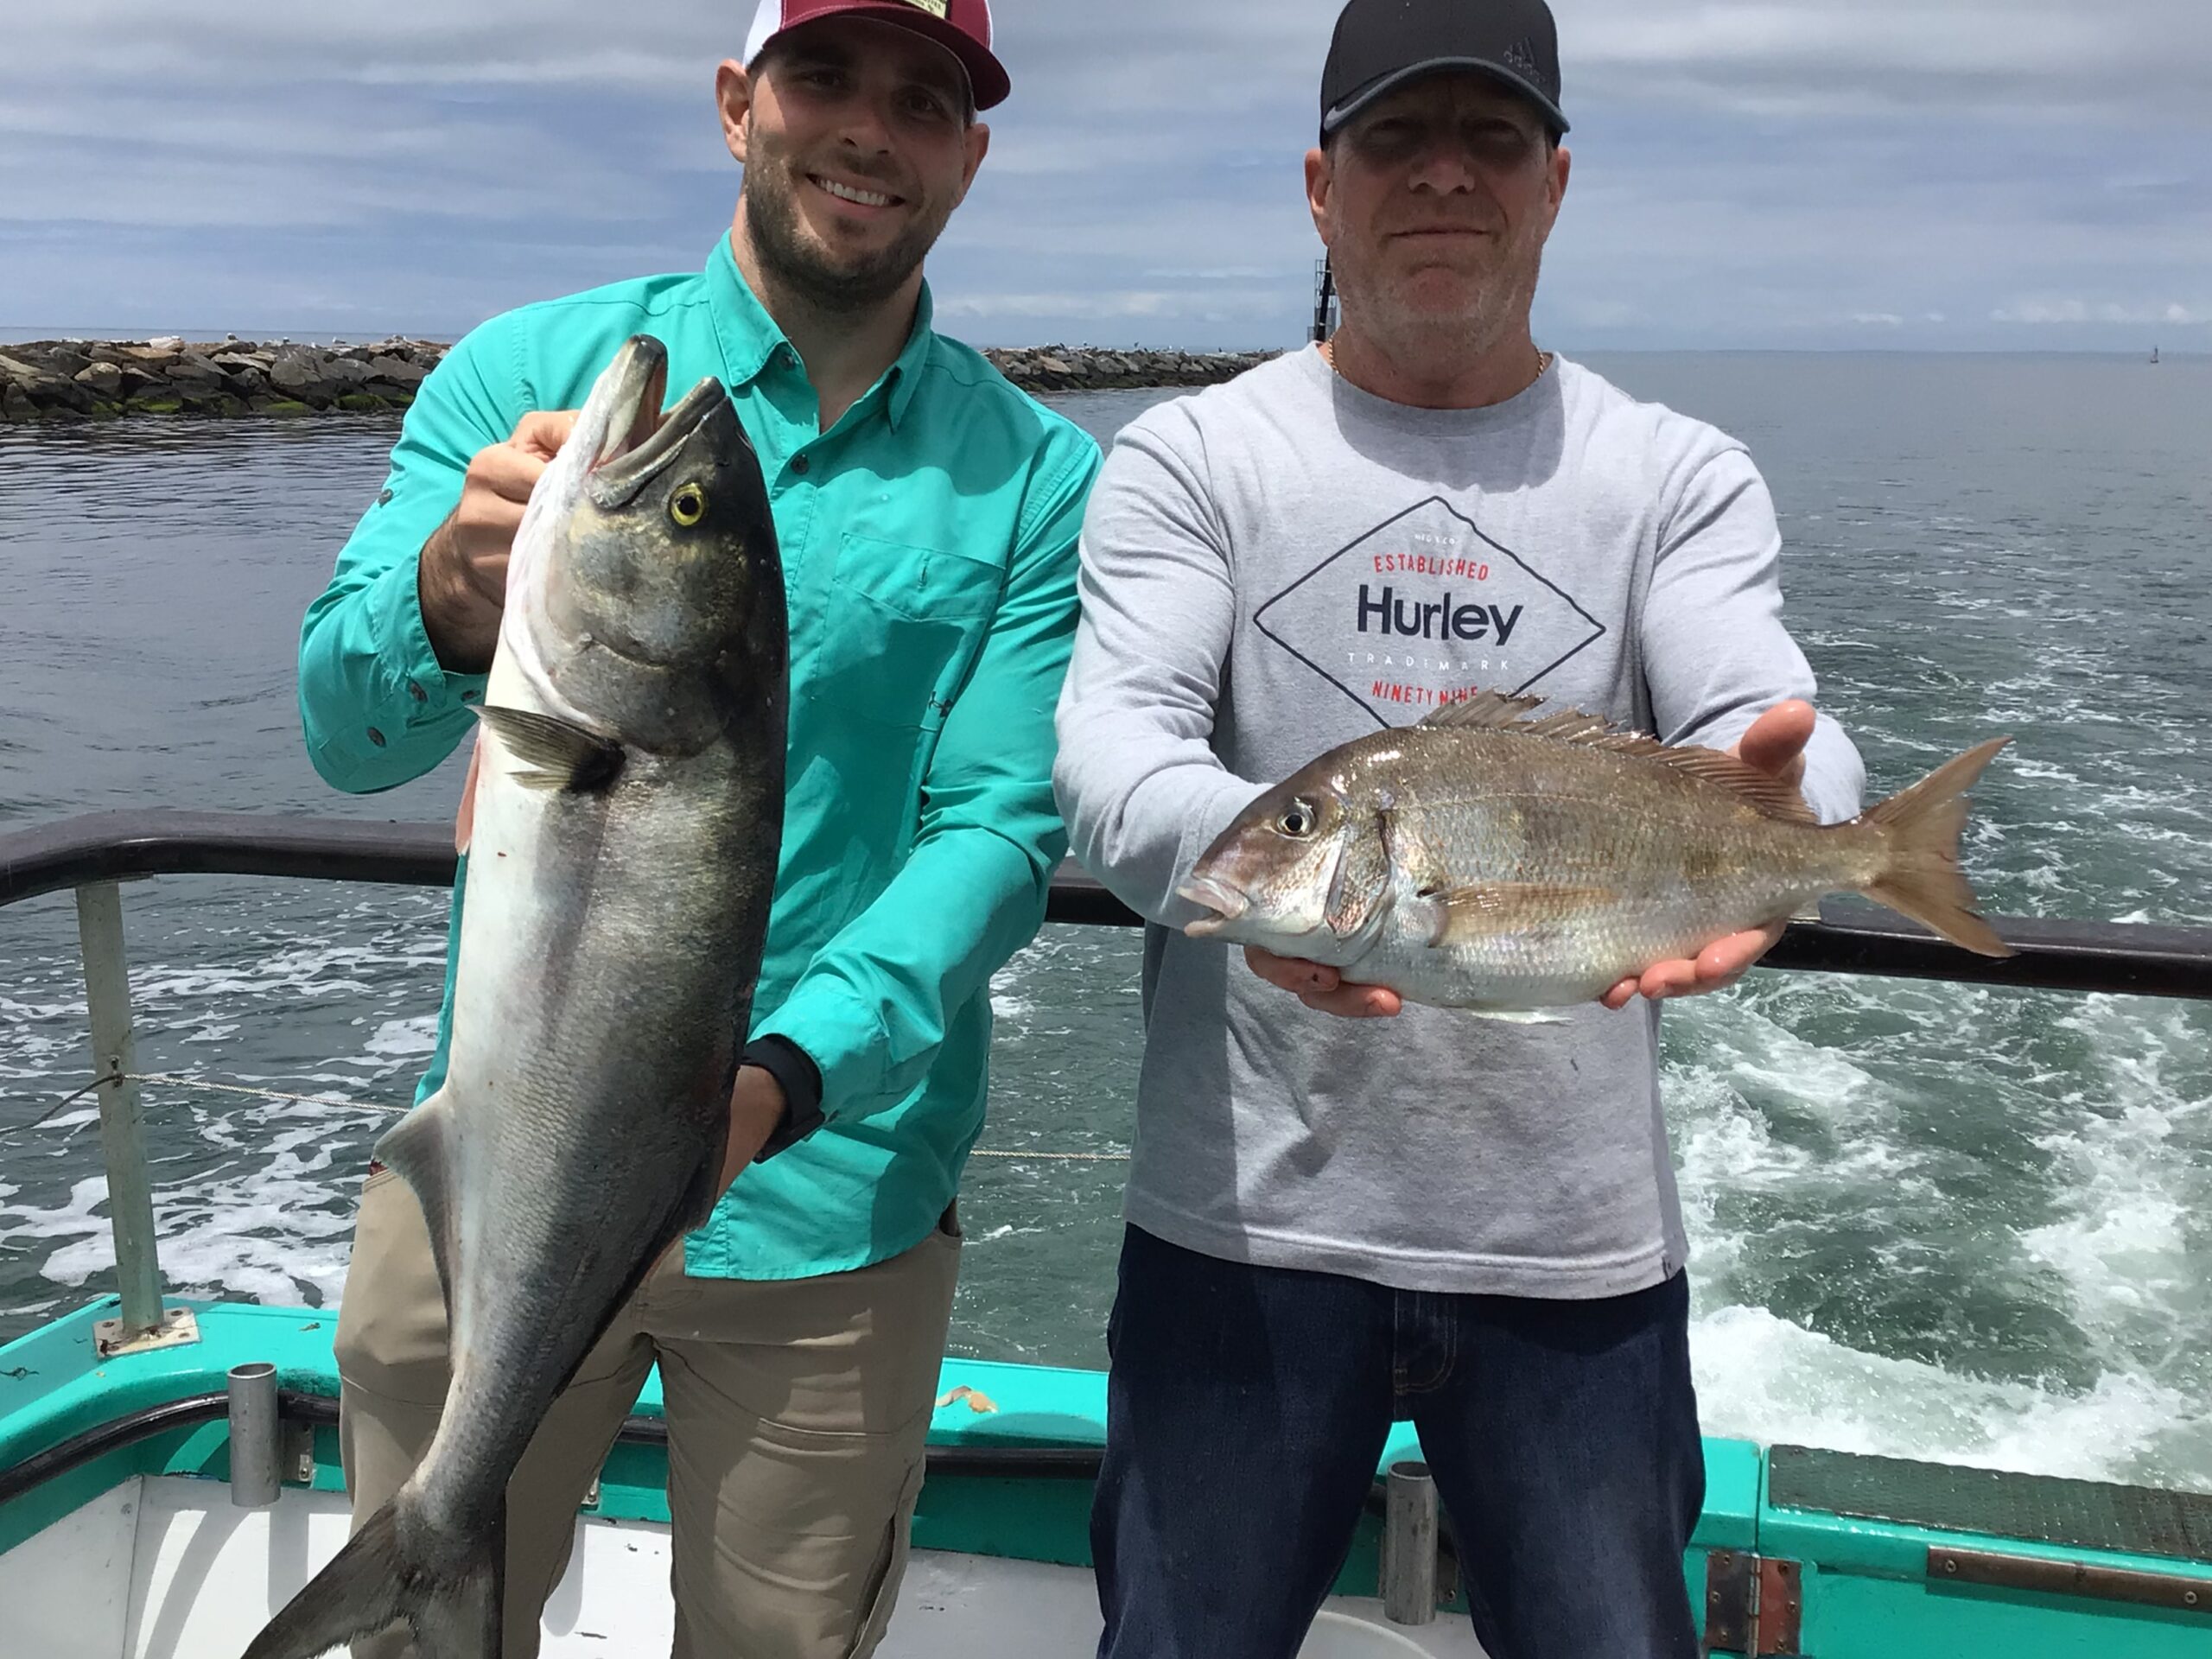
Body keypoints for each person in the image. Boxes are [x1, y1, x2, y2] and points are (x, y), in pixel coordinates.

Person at [1052, 1, 1866, 1655]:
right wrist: (1290, 896)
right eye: (1392, 141)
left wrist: (1810, 814)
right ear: (1318, 184)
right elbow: (1112, 756)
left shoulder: (1675, 474)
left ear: (1554, 184)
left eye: (1490, 140)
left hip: (1575, 1262)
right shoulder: (1192, 455)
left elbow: (1769, 724)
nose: (1443, 178)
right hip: (1241, 1238)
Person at [297, 3, 1099, 1655]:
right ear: (739, 104)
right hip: (495, 1176)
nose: (870, 130)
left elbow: (1001, 835)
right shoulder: (531, 374)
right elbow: (338, 728)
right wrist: (450, 601)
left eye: (924, 100)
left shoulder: (1035, 478)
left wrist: (778, 1078)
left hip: (832, 1204)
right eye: (823, 78)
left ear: (972, 154)